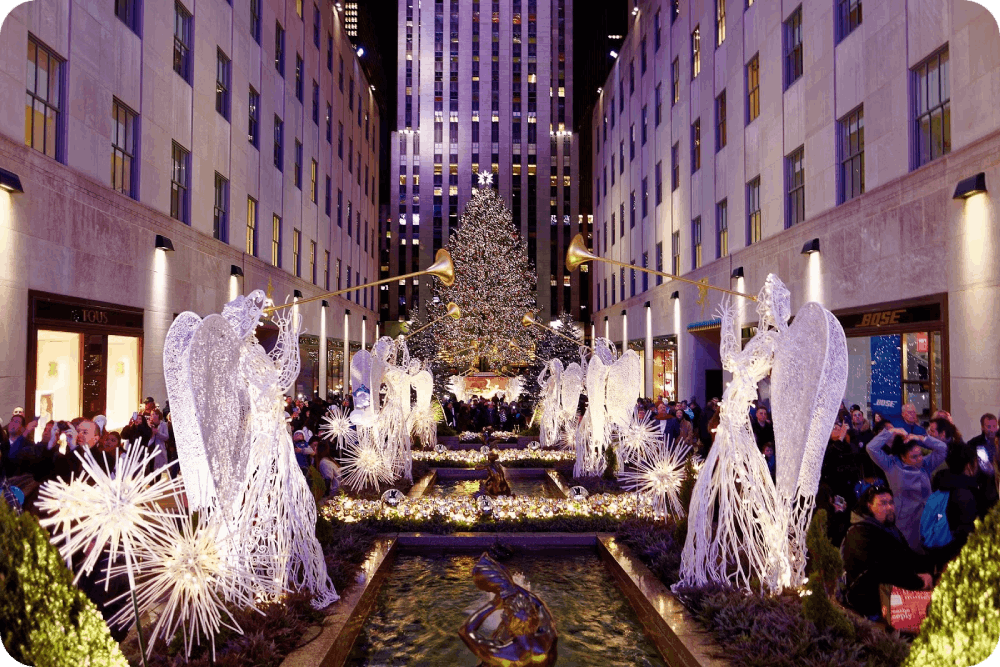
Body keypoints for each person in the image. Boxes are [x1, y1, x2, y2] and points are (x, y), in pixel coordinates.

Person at [841, 484, 933, 620]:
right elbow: (882, 569)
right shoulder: (859, 532)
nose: (889, 507)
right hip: (869, 606)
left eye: (891, 503)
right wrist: (918, 581)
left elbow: (907, 556)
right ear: (869, 506)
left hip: (892, 598)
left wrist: (931, 570)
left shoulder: (888, 529)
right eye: (883, 503)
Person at [866, 426, 949, 553]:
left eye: (920, 454)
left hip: (927, 520)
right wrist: (891, 432)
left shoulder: (925, 465)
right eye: (914, 457)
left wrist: (920, 438)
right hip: (904, 522)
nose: (919, 459)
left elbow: (943, 448)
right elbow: (871, 448)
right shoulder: (891, 465)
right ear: (903, 457)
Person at [924, 442, 981, 567]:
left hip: (938, 551)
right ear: (968, 465)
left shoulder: (942, 483)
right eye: (976, 461)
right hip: (955, 557)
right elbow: (966, 533)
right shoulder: (965, 494)